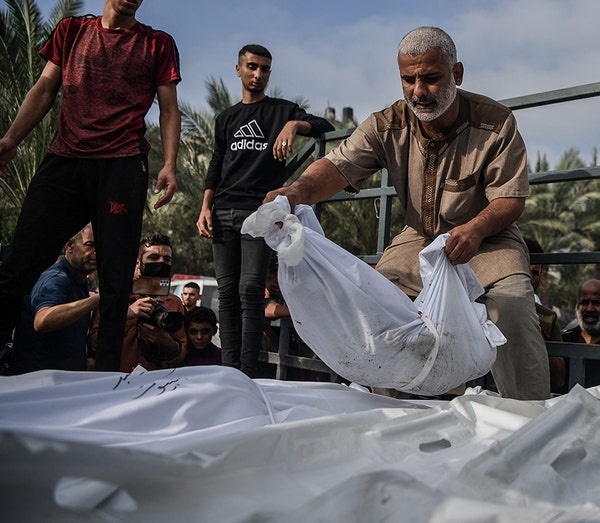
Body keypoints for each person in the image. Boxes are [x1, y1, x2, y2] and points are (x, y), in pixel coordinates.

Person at [265, 26, 550, 400]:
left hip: (488, 237)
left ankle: (533, 420)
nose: (419, 91)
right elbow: (338, 166)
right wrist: (297, 191)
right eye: (408, 79)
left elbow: (509, 200)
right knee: (376, 313)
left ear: (457, 74)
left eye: (431, 79)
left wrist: (476, 229)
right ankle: (388, 412)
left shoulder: (495, 122)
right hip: (419, 237)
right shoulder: (387, 123)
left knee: (510, 312)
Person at [0, 0, 181, 372]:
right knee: (18, 262)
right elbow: (45, 88)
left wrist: (169, 164)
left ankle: (107, 382)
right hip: (66, 161)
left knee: (115, 281)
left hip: (121, 167)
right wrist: (10, 140)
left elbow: (168, 109)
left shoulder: (157, 43)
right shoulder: (72, 31)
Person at [197, 44, 333, 378]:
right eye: (253, 67)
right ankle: (230, 370)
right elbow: (216, 164)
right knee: (226, 294)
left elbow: (324, 126)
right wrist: (205, 206)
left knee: (251, 290)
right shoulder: (226, 118)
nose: (259, 75)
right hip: (223, 212)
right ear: (239, 69)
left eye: (265, 69)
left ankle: (247, 370)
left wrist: (294, 126)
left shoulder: (282, 110)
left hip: (258, 215)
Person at [89, 233, 187, 372]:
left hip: (156, 382)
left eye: (167, 259)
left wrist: (165, 341)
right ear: (137, 262)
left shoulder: (174, 302)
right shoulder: (113, 296)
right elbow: (94, 343)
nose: (161, 262)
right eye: (153, 257)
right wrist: (124, 316)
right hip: (116, 378)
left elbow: (181, 355)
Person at [8, 225, 97, 374]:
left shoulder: (80, 282)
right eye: (90, 245)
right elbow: (43, 320)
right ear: (70, 245)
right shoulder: (56, 279)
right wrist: (97, 300)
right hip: (39, 385)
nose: (96, 252)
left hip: (65, 382)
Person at [524, 236, 566, 392]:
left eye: (534, 273)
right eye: (522, 272)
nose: (528, 279)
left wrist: (538, 333)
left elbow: (559, 380)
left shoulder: (547, 318)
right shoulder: (485, 309)